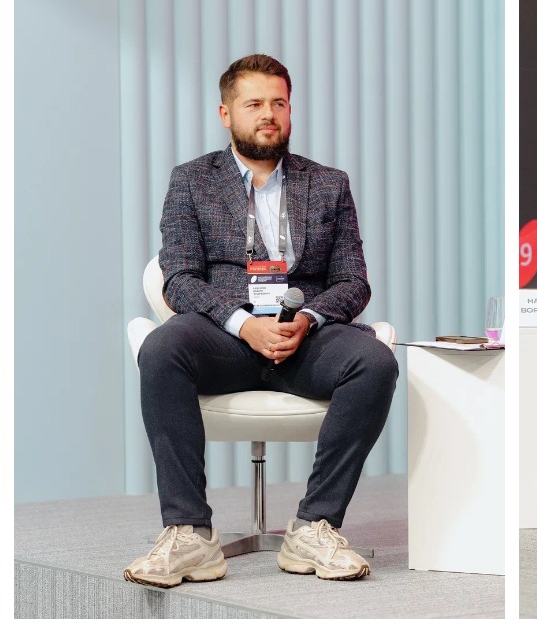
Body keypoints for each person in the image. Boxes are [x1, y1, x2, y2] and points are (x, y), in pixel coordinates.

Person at [125, 54, 399, 586]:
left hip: (305, 339)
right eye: (254, 104)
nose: (268, 114)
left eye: (279, 103)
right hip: (224, 337)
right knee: (162, 348)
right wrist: (242, 323)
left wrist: (309, 318)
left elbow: (353, 281)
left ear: (290, 111)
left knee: (374, 362)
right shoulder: (191, 181)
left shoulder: (329, 184)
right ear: (226, 114)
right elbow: (179, 278)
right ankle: (190, 534)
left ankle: (314, 526)